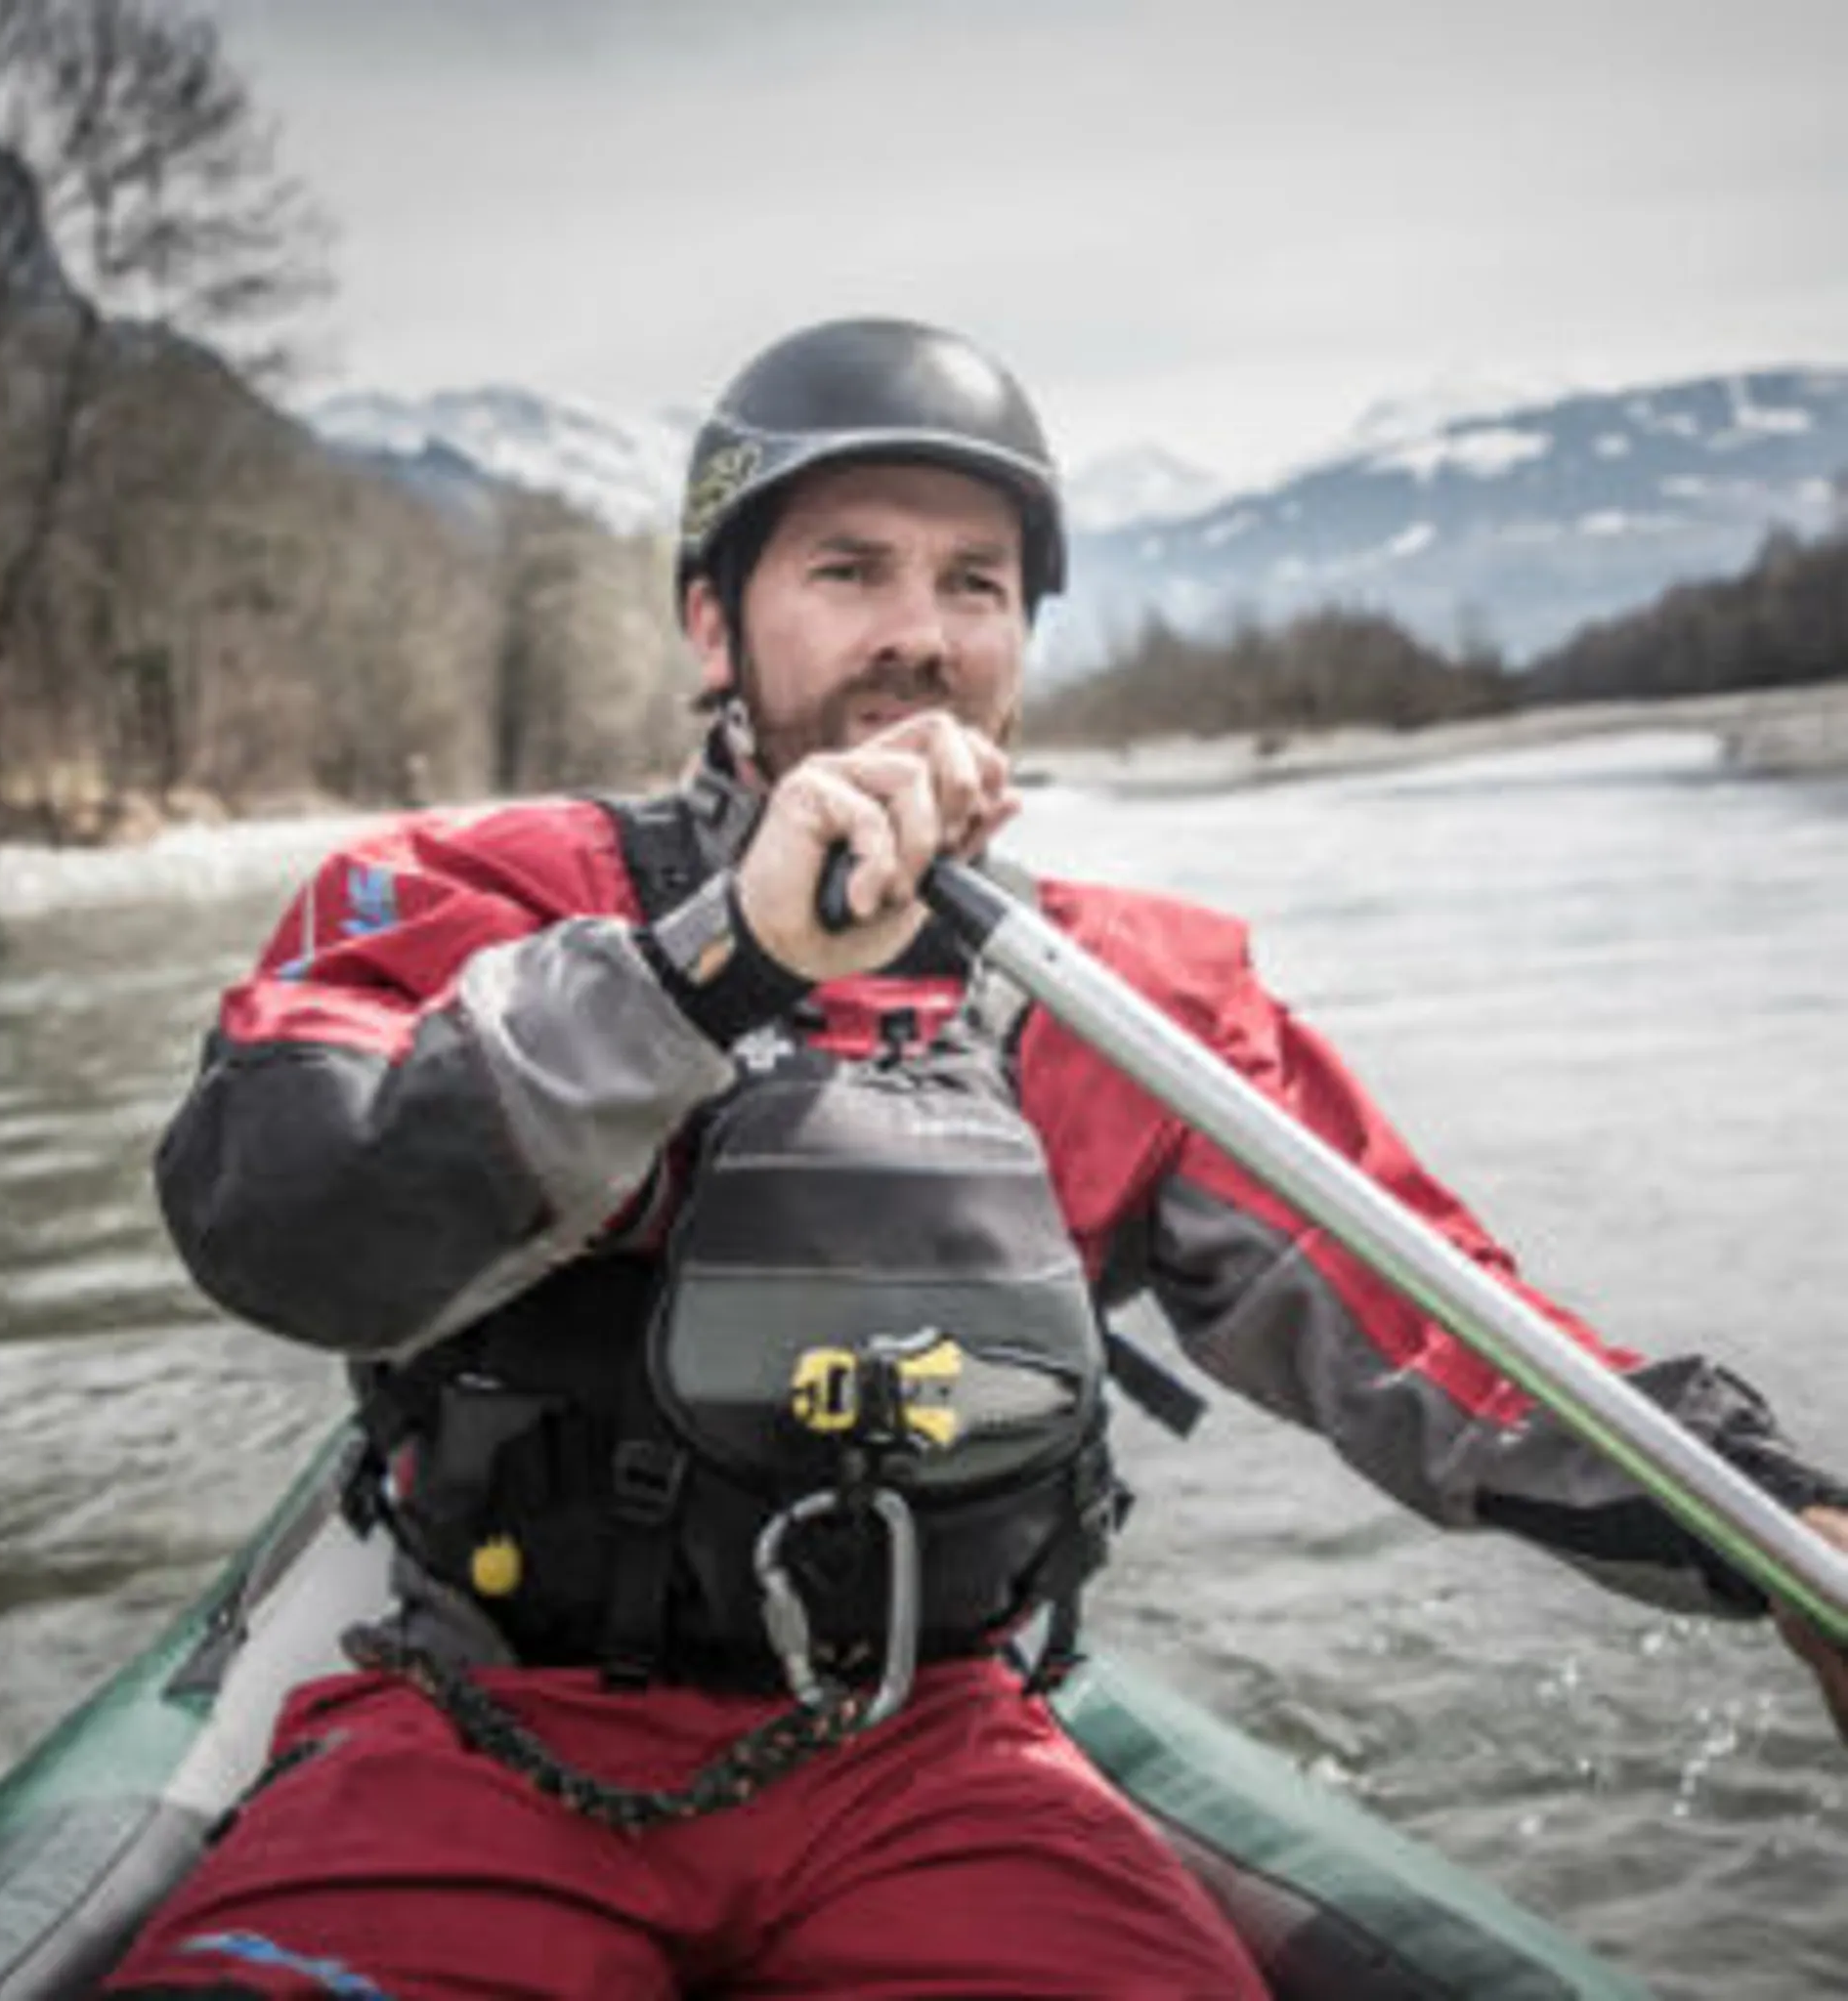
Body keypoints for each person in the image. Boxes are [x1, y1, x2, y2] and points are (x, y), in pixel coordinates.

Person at [107, 319, 1848, 2001]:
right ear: (716, 623)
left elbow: (1425, 1324)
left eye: (975, 586)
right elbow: (284, 1214)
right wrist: (720, 963)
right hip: (489, 1736)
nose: (919, 635)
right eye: (847, 570)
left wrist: (1775, 1523)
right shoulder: (476, 890)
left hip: (926, 1754)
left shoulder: (1124, 998)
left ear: (1020, 640)